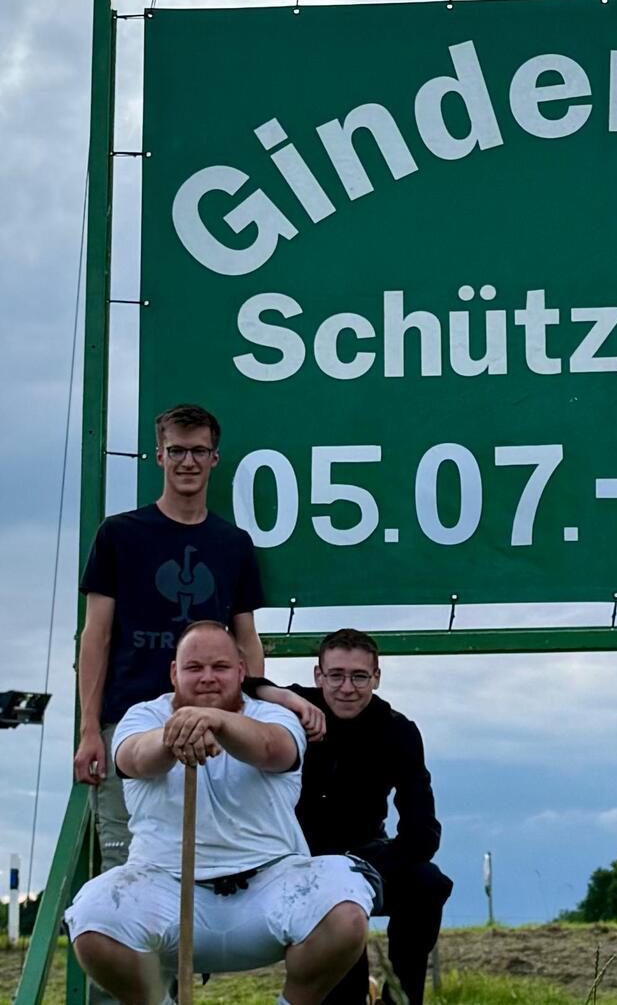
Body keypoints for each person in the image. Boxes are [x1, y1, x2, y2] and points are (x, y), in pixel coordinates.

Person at [64, 621, 374, 1005]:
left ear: (242, 672)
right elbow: (134, 758)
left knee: (345, 908)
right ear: (174, 673)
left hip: (269, 885)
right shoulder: (143, 716)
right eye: (194, 667)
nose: (208, 677)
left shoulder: (275, 716)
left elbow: (272, 750)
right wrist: (174, 735)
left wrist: (215, 721)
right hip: (165, 885)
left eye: (220, 667)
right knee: (92, 918)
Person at [74, 403, 265, 879]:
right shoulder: (119, 535)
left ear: (214, 459)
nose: (188, 462)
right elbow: (95, 636)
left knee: (214, 864)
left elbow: (247, 639)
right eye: (176, 450)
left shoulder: (233, 543)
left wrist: (257, 715)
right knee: (127, 865)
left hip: (214, 727)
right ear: (158, 456)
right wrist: (89, 729)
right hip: (131, 726)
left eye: (199, 451)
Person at [247, 628, 453, 1005]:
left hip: (366, 857)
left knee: (428, 884)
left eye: (359, 676)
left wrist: (364, 870)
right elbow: (236, 687)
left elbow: (423, 830)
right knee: (344, 981)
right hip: (294, 859)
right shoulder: (292, 709)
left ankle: (402, 998)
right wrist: (278, 695)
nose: (347, 688)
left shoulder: (398, 730)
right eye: (336, 675)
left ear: (376, 677)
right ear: (318, 676)